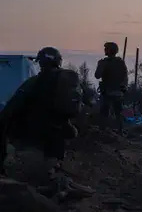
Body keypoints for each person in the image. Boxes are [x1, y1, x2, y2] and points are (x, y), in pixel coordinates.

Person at [0, 47, 93, 198]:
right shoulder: (66, 86)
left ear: (41, 63)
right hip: (53, 145)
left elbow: (9, 111)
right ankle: (54, 175)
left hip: (28, 146)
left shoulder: (32, 83)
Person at [95, 42, 128, 132]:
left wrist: (101, 65)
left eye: (106, 48)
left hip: (108, 92)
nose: (105, 50)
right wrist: (124, 88)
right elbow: (125, 77)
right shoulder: (121, 62)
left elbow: (97, 75)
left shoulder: (104, 62)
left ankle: (102, 131)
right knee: (118, 113)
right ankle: (120, 131)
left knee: (104, 113)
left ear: (110, 50)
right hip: (118, 92)